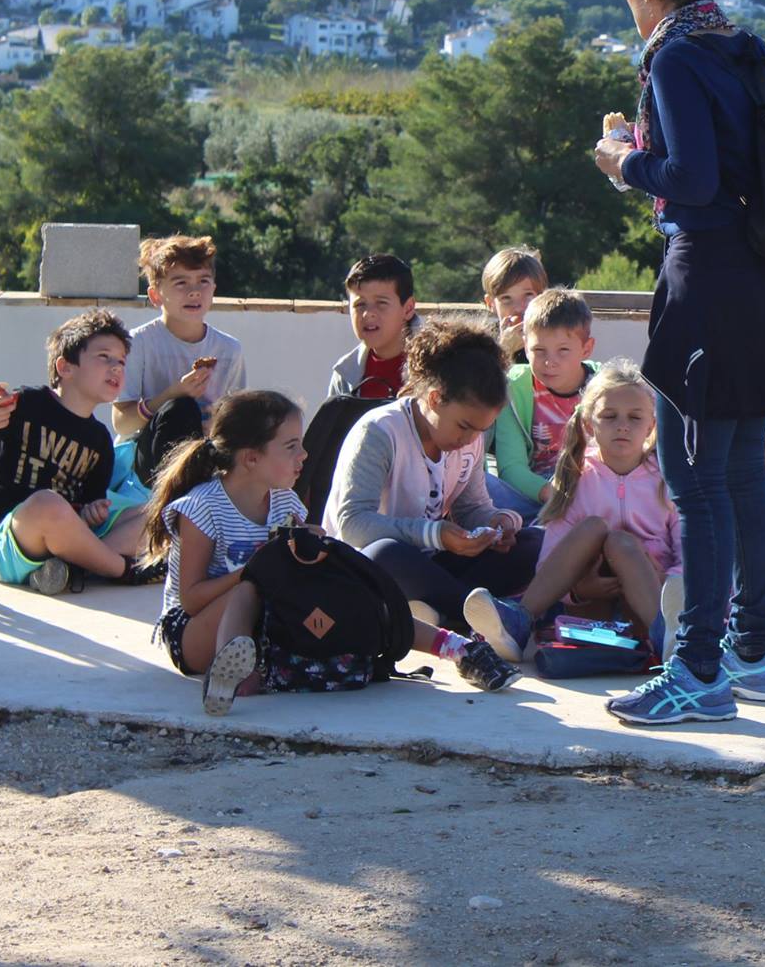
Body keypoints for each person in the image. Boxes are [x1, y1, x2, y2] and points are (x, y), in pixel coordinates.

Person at [590, 0, 765, 725]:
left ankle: (698, 671)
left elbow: (691, 180)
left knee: (697, 486)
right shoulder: (747, 51)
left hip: (712, 290)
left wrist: (625, 162)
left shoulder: (675, 55)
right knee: (741, 475)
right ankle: (755, 653)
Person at [321, 318, 527, 691]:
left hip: (432, 568)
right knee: (385, 554)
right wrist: (435, 535)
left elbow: (471, 507)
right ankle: (489, 618)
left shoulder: (470, 438)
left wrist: (497, 524)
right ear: (433, 399)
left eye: (480, 431)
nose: (470, 441)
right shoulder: (379, 432)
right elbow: (353, 525)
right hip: (373, 572)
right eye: (464, 427)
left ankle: (446, 614)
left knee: (537, 542)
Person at [465, 360, 680, 663]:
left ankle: (668, 636)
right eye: (609, 416)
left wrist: (671, 586)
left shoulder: (666, 479)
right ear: (590, 424)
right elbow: (550, 559)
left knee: (620, 542)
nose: (622, 425)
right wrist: (579, 590)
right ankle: (520, 620)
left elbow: (690, 555)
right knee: (593, 526)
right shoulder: (577, 477)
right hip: (592, 604)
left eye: (635, 417)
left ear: (651, 425)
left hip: (651, 598)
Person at [0, 310, 158, 594]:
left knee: (161, 513)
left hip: (69, 539)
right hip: (9, 539)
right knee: (47, 505)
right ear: (65, 367)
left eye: (122, 362)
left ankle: (67, 569)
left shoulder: (100, 440)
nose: (116, 368)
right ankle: (122, 569)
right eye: (104, 357)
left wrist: (92, 512)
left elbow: (88, 507)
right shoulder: (24, 404)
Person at [139, 390, 306, 716]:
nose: (305, 454)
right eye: (291, 446)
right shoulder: (203, 507)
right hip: (192, 633)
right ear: (251, 458)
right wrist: (251, 571)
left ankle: (434, 642)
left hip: (262, 624)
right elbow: (190, 599)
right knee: (249, 587)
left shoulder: (286, 502)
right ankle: (227, 677)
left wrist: (310, 550)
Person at [115, 235, 248, 485]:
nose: (194, 291)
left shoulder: (230, 349)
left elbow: (235, 423)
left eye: (203, 281)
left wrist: (215, 422)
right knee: (180, 409)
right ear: (155, 296)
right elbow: (122, 424)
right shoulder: (138, 343)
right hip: (145, 466)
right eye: (181, 282)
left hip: (205, 455)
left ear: (213, 290)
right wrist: (171, 394)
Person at [490, 288, 599, 517]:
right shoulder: (513, 388)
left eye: (563, 351)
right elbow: (511, 468)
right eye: (539, 351)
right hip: (534, 492)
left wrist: (577, 494)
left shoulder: (604, 388)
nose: (550, 362)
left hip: (590, 488)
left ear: (586, 349)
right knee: (484, 486)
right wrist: (549, 493)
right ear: (524, 345)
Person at [328, 254, 419, 400]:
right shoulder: (345, 375)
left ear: (408, 309)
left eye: (381, 303)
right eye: (360, 305)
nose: (368, 314)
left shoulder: (439, 367)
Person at [481, 244, 548, 365]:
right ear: (491, 304)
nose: (518, 308)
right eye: (506, 298)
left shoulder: (555, 337)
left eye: (528, 295)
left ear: (542, 297)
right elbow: (481, 381)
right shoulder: (482, 345)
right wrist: (505, 349)